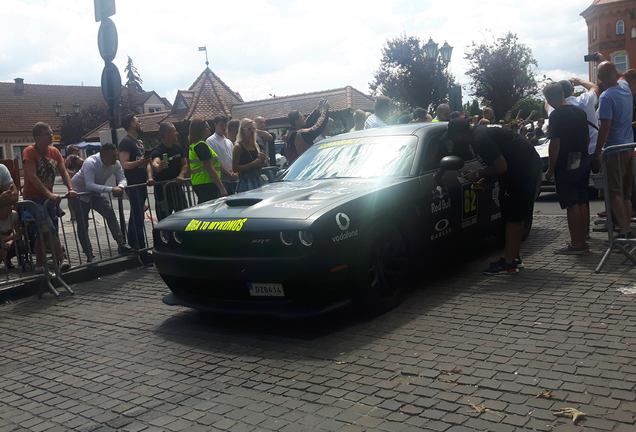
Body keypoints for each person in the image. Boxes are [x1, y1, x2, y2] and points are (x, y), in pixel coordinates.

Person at [447, 119, 541, 275]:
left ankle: (510, 262)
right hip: (525, 166)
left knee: (513, 217)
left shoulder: (480, 139)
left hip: (521, 170)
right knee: (514, 216)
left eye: (453, 137)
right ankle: (514, 258)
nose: (453, 141)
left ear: (460, 134)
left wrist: (478, 174)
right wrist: (486, 178)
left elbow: (501, 166)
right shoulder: (480, 133)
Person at [543, 82, 591, 254]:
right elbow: (586, 138)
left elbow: (555, 143)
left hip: (566, 161)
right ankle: (583, 239)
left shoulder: (556, 115)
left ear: (550, 98)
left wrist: (550, 168)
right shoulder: (579, 112)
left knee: (571, 203)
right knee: (582, 199)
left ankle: (576, 244)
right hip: (581, 158)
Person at [23, 122, 77, 272]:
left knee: (44, 232)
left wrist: (70, 188)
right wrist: (49, 194)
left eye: (51, 133)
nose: (51, 136)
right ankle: (62, 260)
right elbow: (32, 176)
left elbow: (63, 171)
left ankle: (40, 265)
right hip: (34, 199)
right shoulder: (29, 151)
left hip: (49, 200)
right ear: (37, 136)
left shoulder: (54, 152)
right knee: (48, 228)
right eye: (47, 133)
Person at [70, 143, 131, 262]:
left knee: (109, 212)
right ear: (103, 156)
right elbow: (89, 184)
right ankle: (89, 255)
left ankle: (121, 243)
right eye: (113, 156)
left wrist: (120, 186)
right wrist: (111, 189)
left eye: (116, 155)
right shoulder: (90, 163)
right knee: (83, 225)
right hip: (79, 194)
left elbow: (123, 178)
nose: (116, 158)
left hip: (94, 193)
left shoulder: (115, 164)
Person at [594, 62, 635, 238]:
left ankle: (624, 230)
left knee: (614, 191)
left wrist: (597, 151)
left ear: (601, 78)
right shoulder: (626, 90)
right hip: (629, 146)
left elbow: (606, 127)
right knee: (626, 193)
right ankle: (628, 227)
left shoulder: (606, 97)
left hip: (614, 150)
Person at [118, 114, 152, 263]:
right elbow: (125, 164)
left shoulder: (139, 141)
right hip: (133, 183)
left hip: (142, 182)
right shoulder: (126, 142)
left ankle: (133, 243)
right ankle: (141, 249)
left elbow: (143, 161)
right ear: (131, 124)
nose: (140, 122)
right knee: (138, 216)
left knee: (136, 213)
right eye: (137, 120)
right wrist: (140, 163)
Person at [149, 122, 188, 220]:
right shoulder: (158, 151)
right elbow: (155, 162)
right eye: (174, 131)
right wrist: (158, 166)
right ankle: (165, 235)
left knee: (184, 217)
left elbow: (184, 164)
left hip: (177, 189)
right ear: (166, 135)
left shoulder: (178, 148)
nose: (177, 133)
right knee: (165, 220)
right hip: (162, 192)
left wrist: (181, 175)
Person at [188, 119, 227, 203]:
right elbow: (210, 168)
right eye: (206, 127)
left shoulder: (194, 145)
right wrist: (222, 188)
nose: (209, 128)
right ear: (200, 130)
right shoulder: (201, 146)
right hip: (207, 183)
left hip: (200, 183)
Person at [286, 100, 330, 164]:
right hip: (305, 165)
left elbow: (308, 122)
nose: (304, 117)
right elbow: (317, 128)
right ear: (296, 121)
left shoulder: (291, 133)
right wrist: (325, 111)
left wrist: (318, 108)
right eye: (301, 116)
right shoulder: (300, 134)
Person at [233, 118, 268, 193]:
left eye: (253, 129)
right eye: (249, 129)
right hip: (245, 182)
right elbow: (235, 168)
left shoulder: (255, 145)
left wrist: (262, 160)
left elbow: (259, 165)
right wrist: (252, 164)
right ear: (242, 130)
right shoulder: (238, 147)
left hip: (257, 180)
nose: (252, 131)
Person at [206, 116, 239, 195]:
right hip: (222, 179)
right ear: (215, 125)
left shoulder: (229, 142)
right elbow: (215, 161)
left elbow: (233, 159)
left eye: (225, 125)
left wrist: (236, 173)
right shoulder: (210, 141)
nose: (224, 127)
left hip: (234, 177)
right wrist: (228, 173)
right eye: (221, 125)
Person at [0, 204, 23, 269]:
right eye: (7, 206)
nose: (10, 208)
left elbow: (18, 232)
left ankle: (7, 259)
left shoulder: (14, 214)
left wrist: (10, 241)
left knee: (21, 245)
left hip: (10, 240)